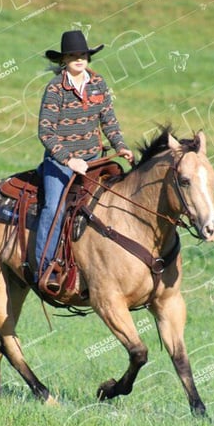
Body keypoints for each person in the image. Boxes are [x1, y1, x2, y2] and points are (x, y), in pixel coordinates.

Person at [35, 30, 134, 287]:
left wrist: (120, 146)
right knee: (54, 208)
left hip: (95, 159)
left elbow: (108, 120)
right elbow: (45, 132)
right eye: (73, 55)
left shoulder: (98, 82)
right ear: (63, 60)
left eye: (83, 55)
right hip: (61, 163)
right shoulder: (56, 88)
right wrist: (69, 161)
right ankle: (45, 267)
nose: (79, 59)